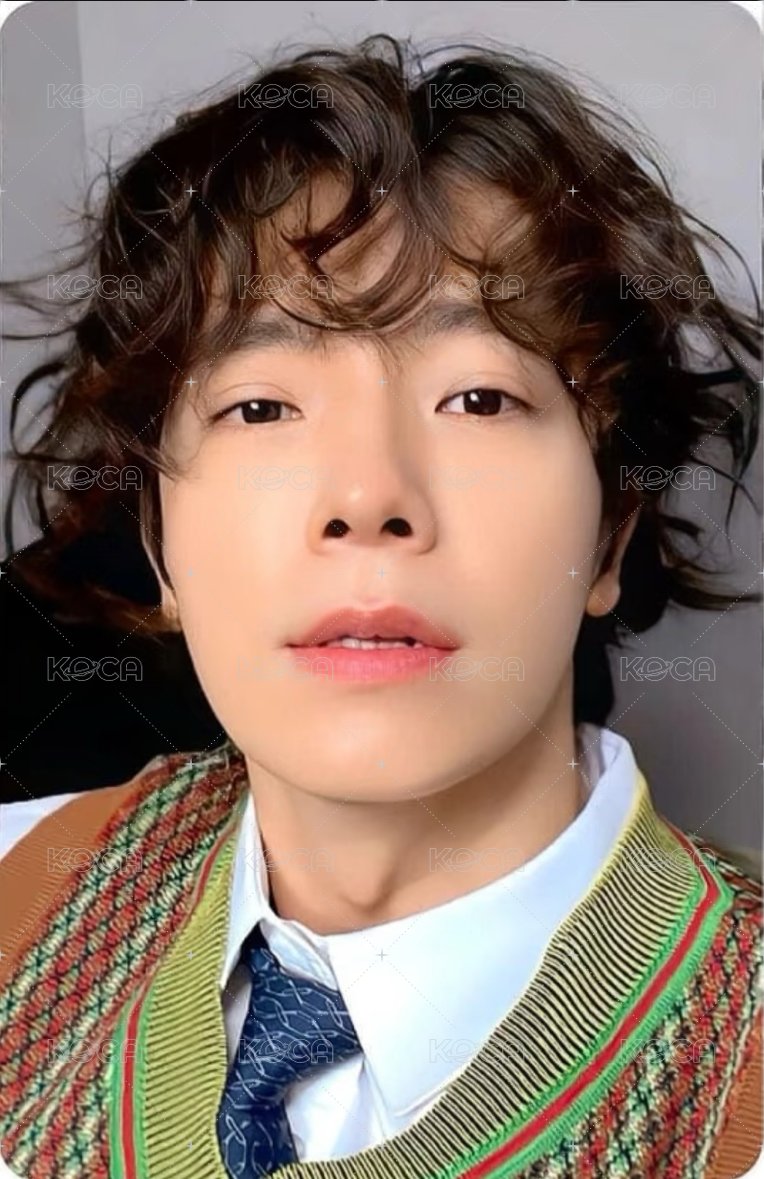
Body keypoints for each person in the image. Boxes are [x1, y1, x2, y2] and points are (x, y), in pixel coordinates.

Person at [0, 34, 761, 1179]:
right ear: (157, 542)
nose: (367, 497)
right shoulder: (22, 884)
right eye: (260, 407)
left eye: (478, 398)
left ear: (611, 531)